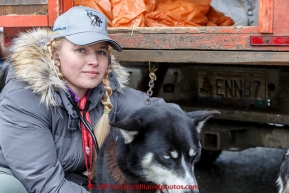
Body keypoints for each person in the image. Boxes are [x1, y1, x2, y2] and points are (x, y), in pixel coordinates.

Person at [0, 6, 164, 193]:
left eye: (101, 52)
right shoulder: (24, 97)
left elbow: (161, 113)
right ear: (56, 55)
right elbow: (46, 183)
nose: (94, 61)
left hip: (74, 183)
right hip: (25, 181)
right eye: (81, 50)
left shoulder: (106, 91)